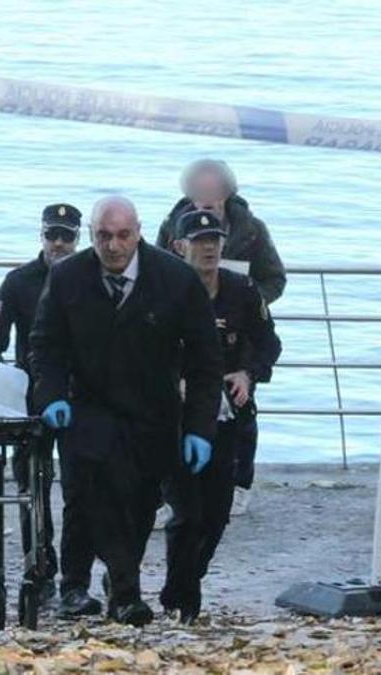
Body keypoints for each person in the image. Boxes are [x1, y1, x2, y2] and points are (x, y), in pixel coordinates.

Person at [29, 195, 222, 626]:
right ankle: (118, 592)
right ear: (92, 235)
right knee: (95, 493)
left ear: (138, 232)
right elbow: (45, 345)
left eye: (122, 236)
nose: (113, 247)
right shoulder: (68, 278)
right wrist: (52, 394)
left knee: (139, 503)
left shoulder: (175, 279)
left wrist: (199, 428)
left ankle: (118, 583)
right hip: (88, 406)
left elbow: (205, 361)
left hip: (152, 410)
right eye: (103, 236)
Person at [160, 209, 282, 622]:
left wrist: (249, 374)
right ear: (180, 247)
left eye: (214, 240)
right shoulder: (166, 290)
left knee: (216, 514)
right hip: (175, 418)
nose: (209, 247)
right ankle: (184, 600)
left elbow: (270, 344)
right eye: (199, 241)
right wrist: (171, 380)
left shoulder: (242, 290)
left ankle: (184, 583)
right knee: (186, 511)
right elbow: (138, 350)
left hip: (227, 413)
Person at [0, 202, 86, 610]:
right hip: (30, 399)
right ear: (40, 236)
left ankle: (77, 577)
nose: (58, 243)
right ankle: (39, 571)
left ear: (78, 238)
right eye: (51, 234)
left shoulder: (90, 278)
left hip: (83, 398)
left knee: (82, 489)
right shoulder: (19, 282)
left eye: (67, 236)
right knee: (31, 489)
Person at [154, 158, 287, 304]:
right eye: (200, 191)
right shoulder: (171, 227)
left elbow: (274, 279)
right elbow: (156, 276)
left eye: (214, 191)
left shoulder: (252, 230)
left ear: (227, 192)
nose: (207, 198)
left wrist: (248, 304)